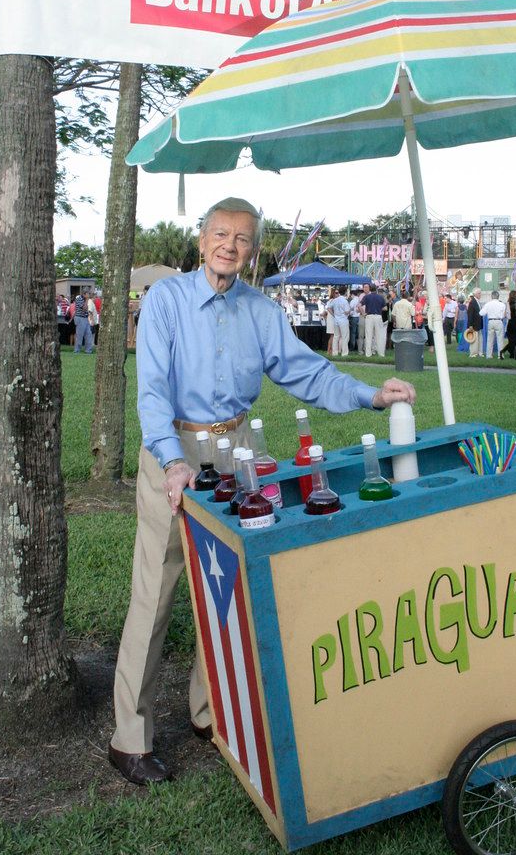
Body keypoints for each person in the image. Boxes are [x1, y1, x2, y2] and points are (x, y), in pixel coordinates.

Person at [108, 197, 415, 786]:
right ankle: (129, 739)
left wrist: (370, 396)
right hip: (173, 449)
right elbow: (152, 391)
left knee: (228, 583)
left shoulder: (260, 309)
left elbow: (306, 371)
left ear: (252, 253)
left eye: (242, 238)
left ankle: (208, 711)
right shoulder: (166, 301)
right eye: (220, 234)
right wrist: (172, 464)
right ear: (201, 242)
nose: (229, 245)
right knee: (158, 588)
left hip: (237, 449)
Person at [360, 284, 388, 357]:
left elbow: (359, 305)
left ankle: (368, 354)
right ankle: (381, 353)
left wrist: (363, 313)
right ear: (376, 289)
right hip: (378, 316)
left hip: (369, 316)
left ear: (370, 289)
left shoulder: (366, 297)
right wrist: (378, 308)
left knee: (368, 335)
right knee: (379, 336)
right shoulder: (380, 297)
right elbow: (385, 308)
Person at [479, 290, 506, 359]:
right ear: (498, 297)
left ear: (491, 296)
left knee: (490, 339)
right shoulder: (502, 304)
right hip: (499, 321)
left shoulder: (488, 304)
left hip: (490, 321)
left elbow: (481, 313)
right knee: (500, 340)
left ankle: (489, 355)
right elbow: (504, 315)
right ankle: (500, 355)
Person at [500, 290, 516, 360]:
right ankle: (513, 355)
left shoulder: (507, 304)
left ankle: (509, 354)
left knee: (512, 341)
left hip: (510, 324)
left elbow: (505, 315)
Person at [326, 285, 350, 357]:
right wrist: (349, 311)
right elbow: (347, 311)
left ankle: (334, 352)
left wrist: (334, 315)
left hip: (336, 320)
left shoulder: (335, 300)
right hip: (343, 320)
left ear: (339, 292)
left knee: (336, 336)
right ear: (345, 292)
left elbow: (328, 308)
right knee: (344, 337)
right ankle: (344, 353)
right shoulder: (345, 301)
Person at [466, 288, 483, 357]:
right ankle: (473, 353)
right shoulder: (472, 302)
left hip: (479, 324)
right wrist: (470, 325)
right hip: (474, 324)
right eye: (479, 293)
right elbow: (470, 314)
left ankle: (480, 352)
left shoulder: (477, 302)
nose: (480, 294)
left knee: (480, 339)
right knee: (474, 340)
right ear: (475, 294)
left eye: (480, 293)